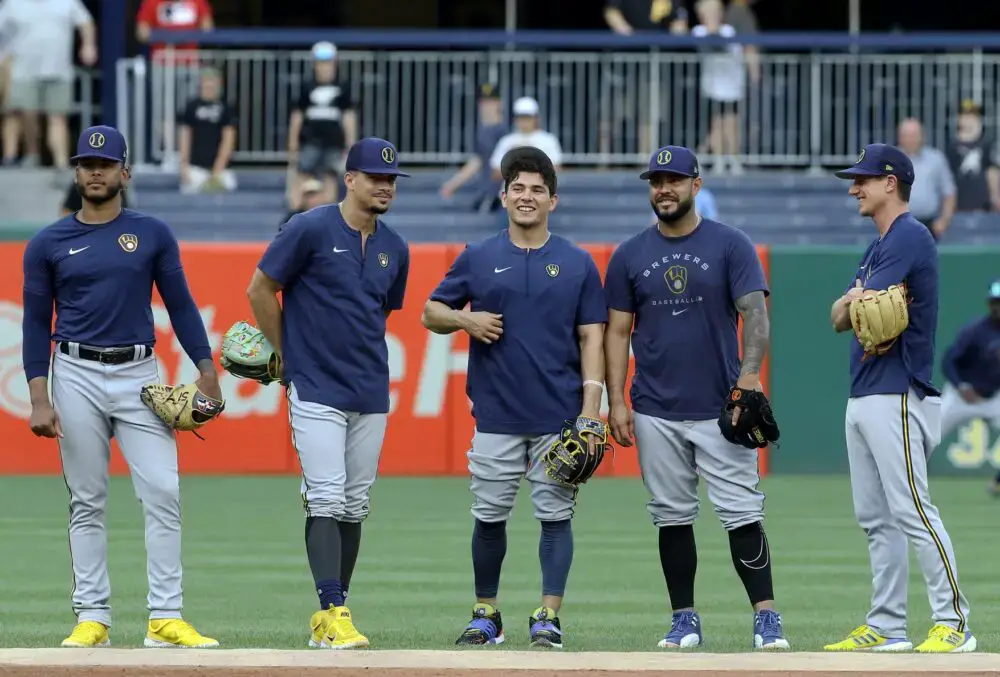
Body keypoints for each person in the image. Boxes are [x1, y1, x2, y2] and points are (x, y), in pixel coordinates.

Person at [21, 125, 221, 649]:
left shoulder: (152, 233)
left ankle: (165, 618)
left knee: (163, 490)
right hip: (76, 373)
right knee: (87, 499)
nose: (95, 171)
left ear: (124, 173)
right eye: (87, 163)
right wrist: (38, 395)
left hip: (139, 373)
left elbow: (179, 304)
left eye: (105, 164)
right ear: (77, 171)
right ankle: (93, 617)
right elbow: (35, 323)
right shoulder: (47, 243)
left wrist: (206, 370)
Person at [602, 145, 789, 651]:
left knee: (742, 511)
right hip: (654, 409)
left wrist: (748, 379)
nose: (664, 188)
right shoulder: (629, 254)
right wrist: (616, 401)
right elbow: (617, 332)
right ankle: (684, 618)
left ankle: (766, 617)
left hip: (720, 407)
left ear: (696, 186)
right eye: (656, 181)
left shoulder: (730, 244)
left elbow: (755, 313)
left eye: (674, 180)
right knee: (671, 515)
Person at [421, 146, 608, 649]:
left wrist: (592, 408)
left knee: (555, 518)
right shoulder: (478, 256)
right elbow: (430, 312)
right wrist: (466, 318)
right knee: (488, 517)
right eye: (518, 188)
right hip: (497, 414)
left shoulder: (577, 263)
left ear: (553, 199)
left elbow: (592, 336)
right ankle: (487, 613)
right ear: (503, 196)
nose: (527, 197)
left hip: (558, 418)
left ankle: (548, 615)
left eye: (537, 190)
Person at [246, 137, 411, 650]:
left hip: (369, 388)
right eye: (375, 177)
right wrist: (288, 355)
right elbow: (259, 289)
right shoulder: (310, 227)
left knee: (355, 505)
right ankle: (332, 609)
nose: (384, 186)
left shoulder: (395, 248)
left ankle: (335, 612)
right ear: (351, 178)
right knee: (325, 495)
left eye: (391, 180)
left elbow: (376, 317)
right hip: (315, 385)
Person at [826, 143, 975, 653]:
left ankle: (954, 623)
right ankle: (887, 624)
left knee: (912, 509)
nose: (854, 188)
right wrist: (854, 299)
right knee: (876, 519)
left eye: (862, 179)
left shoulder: (910, 236)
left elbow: (860, 305)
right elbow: (839, 316)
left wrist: (856, 298)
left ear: (891, 183)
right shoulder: (878, 247)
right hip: (864, 390)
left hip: (900, 389)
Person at [937, 280, 1000, 495]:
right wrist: (962, 386)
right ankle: (899, 481)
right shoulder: (974, 331)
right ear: (989, 304)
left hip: (992, 398)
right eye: (995, 302)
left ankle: (998, 483)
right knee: (926, 436)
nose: (998, 306)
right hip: (962, 395)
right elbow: (949, 361)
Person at [287, 41, 357, 209]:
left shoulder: (343, 87)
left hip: (333, 141)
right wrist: (292, 143)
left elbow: (349, 117)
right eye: (321, 63)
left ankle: (327, 217)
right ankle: (294, 215)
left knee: (330, 177)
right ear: (315, 64)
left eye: (328, 63)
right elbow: (297, 116)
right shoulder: (306, 86)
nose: (325, 67)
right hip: (310, 140)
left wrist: (351, 145)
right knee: (302, 174)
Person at [439, 82, 507, 212]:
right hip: (486, 191)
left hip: (499, 194)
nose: (487, 106)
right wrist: (452, 185)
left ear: (499, 103)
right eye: (484, 102)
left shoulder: (503, 131)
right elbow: (477, 161)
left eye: (491, 102)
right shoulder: (483, 130)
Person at [178, 66, 238, 194]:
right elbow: (185, 136)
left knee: (226, 187)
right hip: (195, 168)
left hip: (222, 170)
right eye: (206, 81)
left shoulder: (226, 108)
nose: (209, 85)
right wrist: (184, 166)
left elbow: (229, 139)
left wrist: (217, 171)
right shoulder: (192, 106)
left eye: (213, 82)